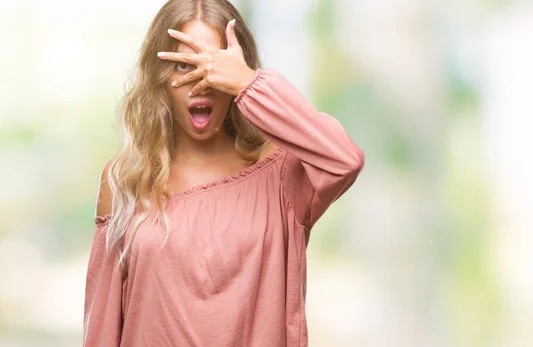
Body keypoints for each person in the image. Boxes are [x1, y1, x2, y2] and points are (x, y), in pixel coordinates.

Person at [84, 0, 364, 346]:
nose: (200, 82)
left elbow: (344, 160)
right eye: (184, 64)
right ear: (159, 76)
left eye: (214, 65)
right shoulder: (126, 179)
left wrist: (249, 83)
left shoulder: (284, 175)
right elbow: (103, 330)